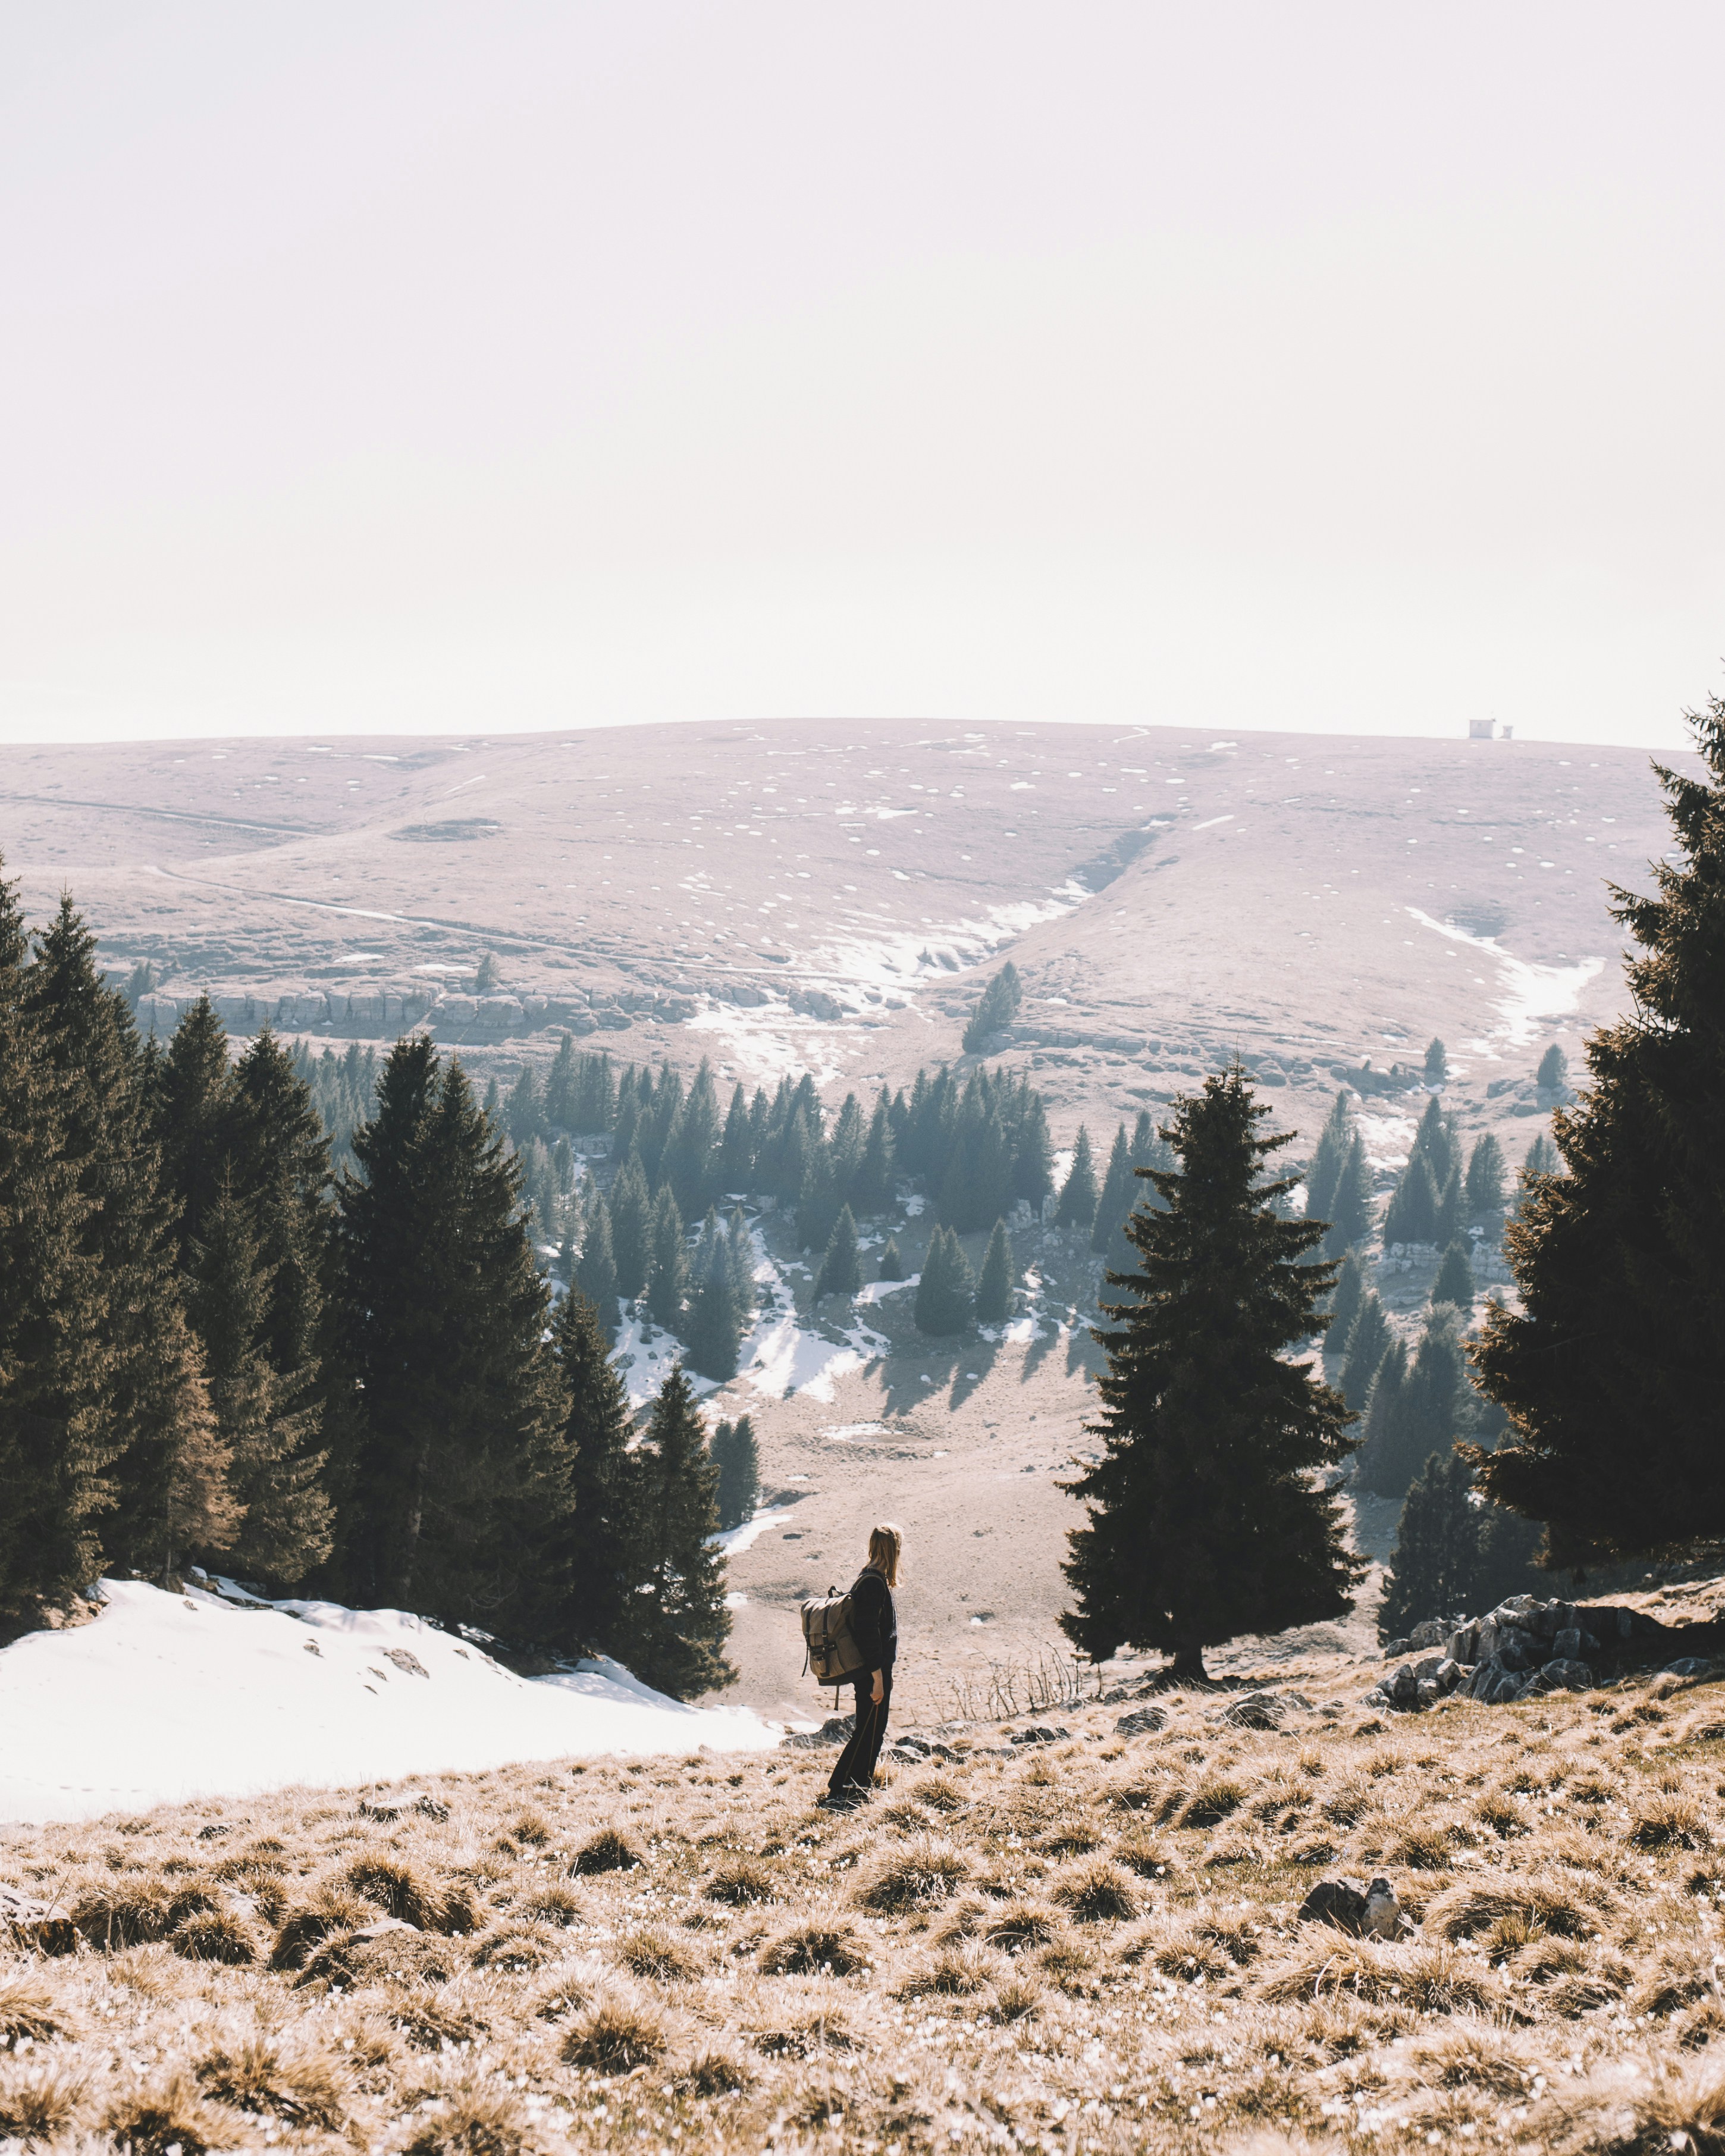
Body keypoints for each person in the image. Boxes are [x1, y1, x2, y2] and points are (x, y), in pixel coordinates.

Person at [819, 1522, 901, 1810]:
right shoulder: (873, 1583)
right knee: (869, 1729)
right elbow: (868, 1636)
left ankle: (856, 1785)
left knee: (871, 1728)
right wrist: (878, 1679)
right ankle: (844, 1788)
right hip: (873, 1671)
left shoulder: (867, 1578)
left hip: (872, 1670)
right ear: (894, 1550)